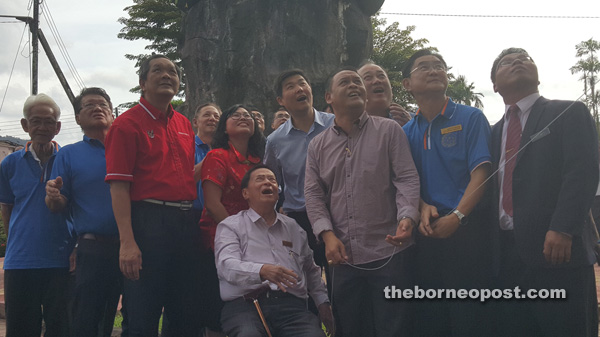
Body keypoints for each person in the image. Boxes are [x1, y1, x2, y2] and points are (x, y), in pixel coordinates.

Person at [490, 47, 598, 337]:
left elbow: (582, 171)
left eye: (525, 59)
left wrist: (563, 228)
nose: (518, 62)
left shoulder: (567, 112)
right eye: (507, 62)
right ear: (494, 85)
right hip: (507, 257)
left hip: (557, 253)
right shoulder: (492, 132)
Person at [304, 68, 420, 337]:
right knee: (351, 328)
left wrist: (407, 217)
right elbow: (313, 194)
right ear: (329, 96)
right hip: (343, 256)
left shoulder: (389, 130)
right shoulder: (317, 146)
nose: (354, 85)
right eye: (345, 82)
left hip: (389, 250)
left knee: (395, 328)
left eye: (358, 82)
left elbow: (406, 178)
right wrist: (327, 235)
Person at [104, 54, 202, 337]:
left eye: (172, 71)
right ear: (142, 83)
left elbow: (183, 177)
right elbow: (119, 186)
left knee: (185, 311)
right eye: (157, 70)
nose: (167, 75)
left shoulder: (184, 124)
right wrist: (127, 242)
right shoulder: (126, 125)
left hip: (185, 221)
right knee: (142, 312)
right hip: (148, 222)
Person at [401, 49, 493, 336]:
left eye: (439, 66)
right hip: (426, 232)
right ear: (406, 84)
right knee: (431, 313)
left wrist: (458, 216)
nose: (434, 70)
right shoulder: (405, 131)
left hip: (468, 230)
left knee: (470, 313)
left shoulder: (470, 117)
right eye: (424, 67)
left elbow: (481, 171)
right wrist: (420, 204)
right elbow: (403, 180)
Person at [215, 165, 334, 337]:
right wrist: (262, 271)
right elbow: (226, 266)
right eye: (260, 179)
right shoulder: (231, 226)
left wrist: (323, 303)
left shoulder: (294, 228)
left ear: (278, 192)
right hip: (246, 306)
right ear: (245, 193)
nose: (268, 183)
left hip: (292, 308)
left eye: (272, 180)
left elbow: (311, 269)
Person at [45, 87, 120, 337]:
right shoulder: (69, 154)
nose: (98, 109)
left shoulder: (129, 149)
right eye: (89, 106)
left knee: (136, 316)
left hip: (136, 245)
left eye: (103, 105)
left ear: (113, 114)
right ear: (78, 118)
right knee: (87, 319)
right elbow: (58, 205)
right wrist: (53, 196)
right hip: (93, 248)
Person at [0, 93, 72, 337]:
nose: (42, 127)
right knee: (20, 329)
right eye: (35, 121)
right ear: (25, 125)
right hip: (19, 263)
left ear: (58, 127)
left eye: (49, 121)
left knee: (62, 328)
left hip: (61, 261)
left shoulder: (69, 160)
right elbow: (7, 208)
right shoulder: (9, 164)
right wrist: (13, 245)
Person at [197, 103, 265, 336]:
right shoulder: (217, 156)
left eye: (247, 115)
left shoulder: (259, 160)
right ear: (224, 128)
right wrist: (238, 234)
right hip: (220, 236)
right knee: (217, 301)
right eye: (235, 115)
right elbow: (213, 203)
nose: (243, 117)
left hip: (256, 237)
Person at [264, 69, 335, 283]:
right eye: (291, 87)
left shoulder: (336, 124)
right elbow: (273, 180)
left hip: (338, 213)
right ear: (281, 100)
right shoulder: (275, 141)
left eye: (303, 83)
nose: (299, 89)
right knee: (303, 285)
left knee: (341, 282)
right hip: (299, 220)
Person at [192, 103, 221, 223]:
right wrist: (212, 156)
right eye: (207, 115)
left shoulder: (227, 149)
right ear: (195, 122)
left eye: (217, 116)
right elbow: (184, 181)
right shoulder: (187, 146)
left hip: (221, 214)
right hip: (192, 214)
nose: (212, 119)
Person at [357, 61, 411, 125]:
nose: (377, 81)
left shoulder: (415, 121)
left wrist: (411, 127)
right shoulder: (347, 127)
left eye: (381, 76)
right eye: (368, 77)